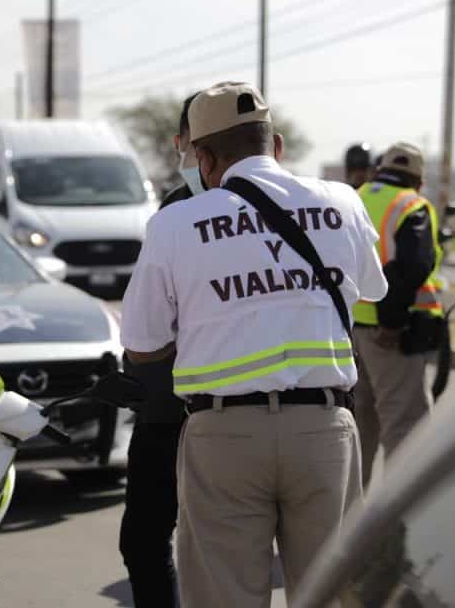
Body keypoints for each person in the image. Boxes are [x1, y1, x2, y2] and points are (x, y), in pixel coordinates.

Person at [121, 82, 387, 607]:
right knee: (330, 594)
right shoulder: (342, 202)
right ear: (277, 145)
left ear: (203, 158)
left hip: (223, 438)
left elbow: (142, 342)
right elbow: (371, 290)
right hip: (324, 432)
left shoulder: (174, 223)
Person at [119, 91, 198, 608]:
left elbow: (144, 333)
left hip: (189, 411)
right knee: (146, 540)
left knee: (172, 544)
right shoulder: (174, 209)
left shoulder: (179, 213)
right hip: (168, 408)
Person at [352, 142, 443, 486]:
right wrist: (391, 322)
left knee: (358, 429)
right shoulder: (412, 205)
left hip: (351, 331)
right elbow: (412, 266)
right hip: (390, 337)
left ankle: (350, 515)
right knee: (405, 430)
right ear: (418, 180)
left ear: (379, 171)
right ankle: (400, 516)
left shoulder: (354, 198)